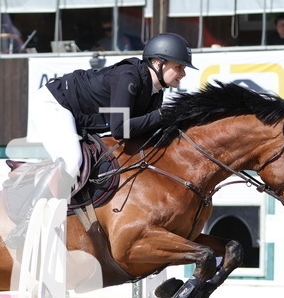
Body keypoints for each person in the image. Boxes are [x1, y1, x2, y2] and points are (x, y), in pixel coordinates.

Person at [28, 32, 195, 188]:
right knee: (72, 162)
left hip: (78, 116)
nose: (183, 74)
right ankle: (37, 210)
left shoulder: (155, 92)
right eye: (179, 67)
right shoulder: (128, 77)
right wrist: (162, 115)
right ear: (159, 63)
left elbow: (142, 132)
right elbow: (120, 129)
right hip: (54, 103)